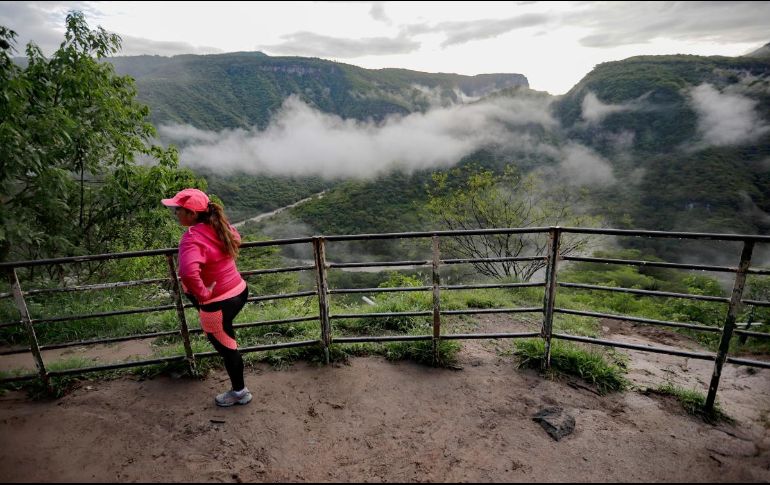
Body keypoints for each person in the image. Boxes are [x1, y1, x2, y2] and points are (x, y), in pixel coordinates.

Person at [161, 188, 252, 407]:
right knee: (227, 339)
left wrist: (203, 295)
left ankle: (240, 392)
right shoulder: (219, 226)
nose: (176, 214)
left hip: (216, 302)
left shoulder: (191, 238)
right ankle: (239, 389)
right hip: (239, 290)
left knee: (227, 347)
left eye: (178, 210)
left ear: (192, 214)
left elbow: (188, 273)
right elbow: (236, 237)